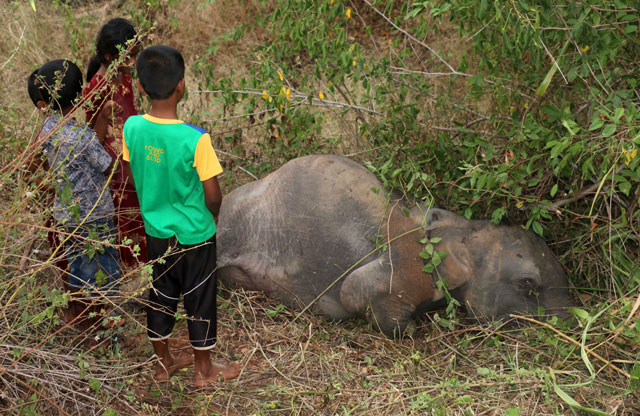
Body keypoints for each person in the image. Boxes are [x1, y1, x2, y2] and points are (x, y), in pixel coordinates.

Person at [123, 45, 241, 386]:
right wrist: (212, 218)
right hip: (195, 236)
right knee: (199, 297)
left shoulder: (132, 128)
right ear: (182, 86)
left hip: (157, 232)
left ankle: (163, 365)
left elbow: (132, 173)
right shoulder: (195, 139)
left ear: (141, 88)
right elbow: (213, 194)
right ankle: (204, 371)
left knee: (160, 296)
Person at [28, 59, 122, 332]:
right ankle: (101, 328)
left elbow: (40, 167)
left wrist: (102, 118)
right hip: (95, 215)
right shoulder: (82, 137)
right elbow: (106, 166)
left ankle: (82, 321)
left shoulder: (47, 129)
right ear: (80, 94)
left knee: (80, 270)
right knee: (102, 274)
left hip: (68, 216)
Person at [84, 17, 147, 267]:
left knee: (141, 213)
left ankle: (145, 265)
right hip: (115, 167)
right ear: (110, 56)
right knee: (126, 217)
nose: (133, 63)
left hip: (132, 152)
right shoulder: (96, 87)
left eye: (135, 55)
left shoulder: (123, 75)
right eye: (128, 57)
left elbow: (129, 111)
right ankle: (131, 270)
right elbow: (92, 137)